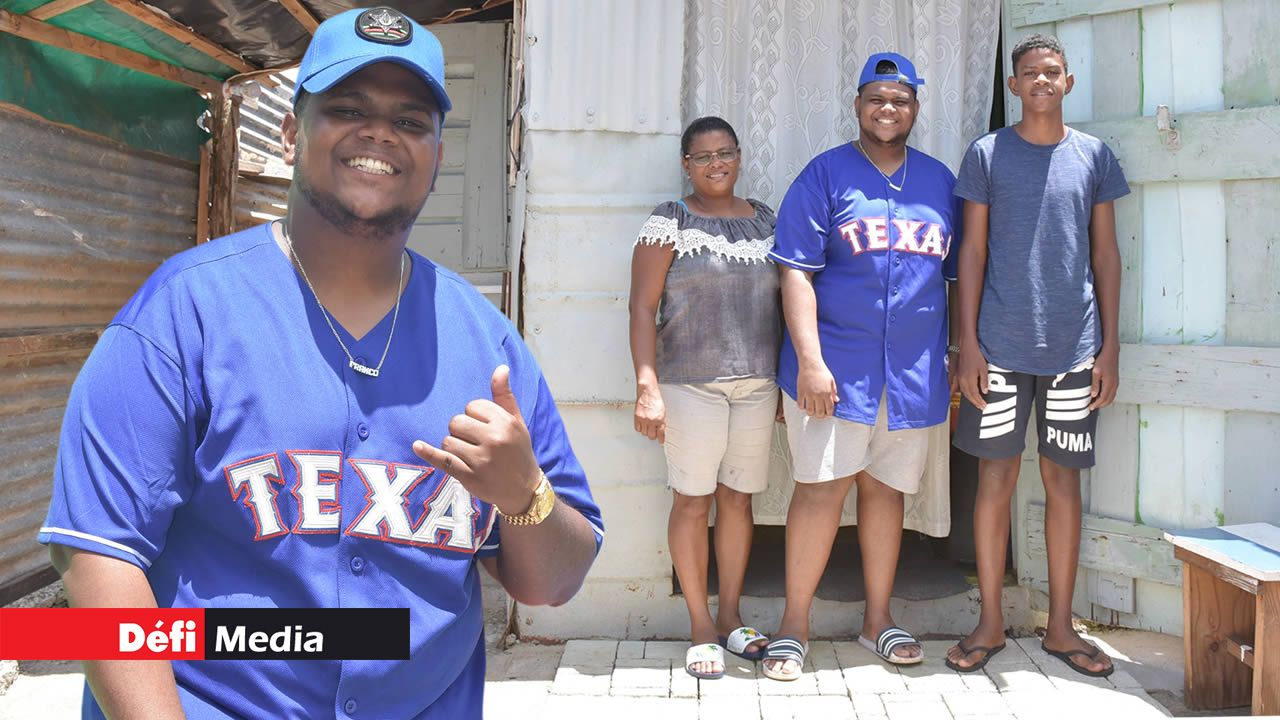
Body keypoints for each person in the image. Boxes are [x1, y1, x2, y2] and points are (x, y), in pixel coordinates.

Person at [38, 8, 603, 718]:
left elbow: (555, 582)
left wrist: (526, 496)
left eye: (411, 119)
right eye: (346, 108)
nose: (380, 133)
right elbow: (98, 558)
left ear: (436, 151)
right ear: (288, 132)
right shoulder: (183, 313)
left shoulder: (484, 343)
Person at [761, 53, 961, 681]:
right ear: (857, 105)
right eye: (877, 98)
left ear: (915, 110)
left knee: (886, 493)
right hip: (835, 371)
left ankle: (878, 618)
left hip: (911, 375)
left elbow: (955, 279)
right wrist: (811, 362)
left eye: (900, 101)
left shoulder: (937, 181)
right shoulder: (826, 174)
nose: (888, 110)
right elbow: (794, 269)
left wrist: (955, 356)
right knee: (820, 490)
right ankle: (795, 626)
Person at [946, 33, 1127, 678]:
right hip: (996, 347)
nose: (1042, 82)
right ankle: (990, 621)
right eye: (1030, 74)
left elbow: (1105, 255)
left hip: (1075, 348)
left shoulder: (1095, 157)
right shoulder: (988, 153)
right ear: (1015, 86)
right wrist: (966, 343)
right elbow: (969, 252)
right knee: (995, 481)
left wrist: (1109, 345)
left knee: (1062, 484)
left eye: (1053, 72)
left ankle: (1060, 628)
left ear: (1067, 82)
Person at [629, 116, 781, 679]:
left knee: (739, 500)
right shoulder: (669, 221)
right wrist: (647, 386)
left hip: (758, 382)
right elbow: (641, 309)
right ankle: (699, 625)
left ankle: (731, 618)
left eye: (726, 153)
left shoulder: (765, 219)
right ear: (686, 165)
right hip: (689, 381)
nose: (717, 163)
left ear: (739, 156)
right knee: (693, 500)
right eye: (703, 156)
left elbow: (789, 301)